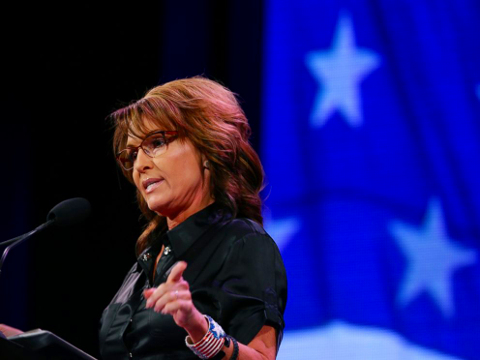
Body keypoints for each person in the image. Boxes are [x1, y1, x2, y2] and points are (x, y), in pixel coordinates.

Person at [99, 76, 287, 360]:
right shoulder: (146, 261)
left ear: (208, 146)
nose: (139, 165)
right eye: (133, 154)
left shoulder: (244, 242)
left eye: (157, 142)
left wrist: (198, 328)